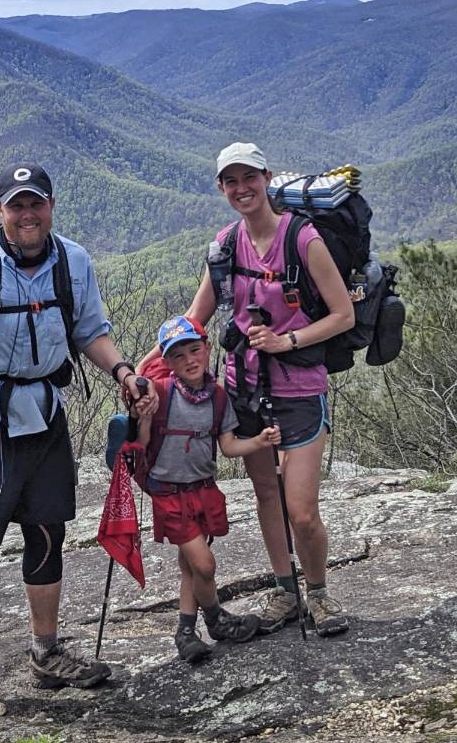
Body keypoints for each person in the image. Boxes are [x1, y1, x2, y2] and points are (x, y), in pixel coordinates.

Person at [0, 162, 155, 712]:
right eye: (16, 205)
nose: (27, 214)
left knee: (47, 534)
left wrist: (123, 373)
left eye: (36, 203)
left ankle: (46, 653)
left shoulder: (72, 261)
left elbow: (90, 330)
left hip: (44, 419)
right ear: (0, 212)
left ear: (51, 206)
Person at [139, 142, 355, 637]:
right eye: (231, 181)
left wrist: (287, 340)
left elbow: (343, 314)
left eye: (249, 178)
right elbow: (197, 317)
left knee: (301, 511)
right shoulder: (225, 247)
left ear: (267, 177)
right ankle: (285, 589)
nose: (242, 189)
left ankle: (318, 593)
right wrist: (144, 368)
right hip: (245, 390)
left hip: (300, 389)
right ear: (221, 188)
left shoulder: (304, 240)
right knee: (266, 496)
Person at [136, 315, 281, 662]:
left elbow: (228, 446)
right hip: (169, 492)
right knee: (204, 565)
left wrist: (260, 442)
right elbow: (141, 443)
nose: (189, 360)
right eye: (179, 355)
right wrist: (141, 416)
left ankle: (186, 632)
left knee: (190, 566)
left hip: (202, 489)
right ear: (167, 362)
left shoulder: (217, 397)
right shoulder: (162, 394)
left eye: (194, 350)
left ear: (207, 349)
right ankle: (215, 618)